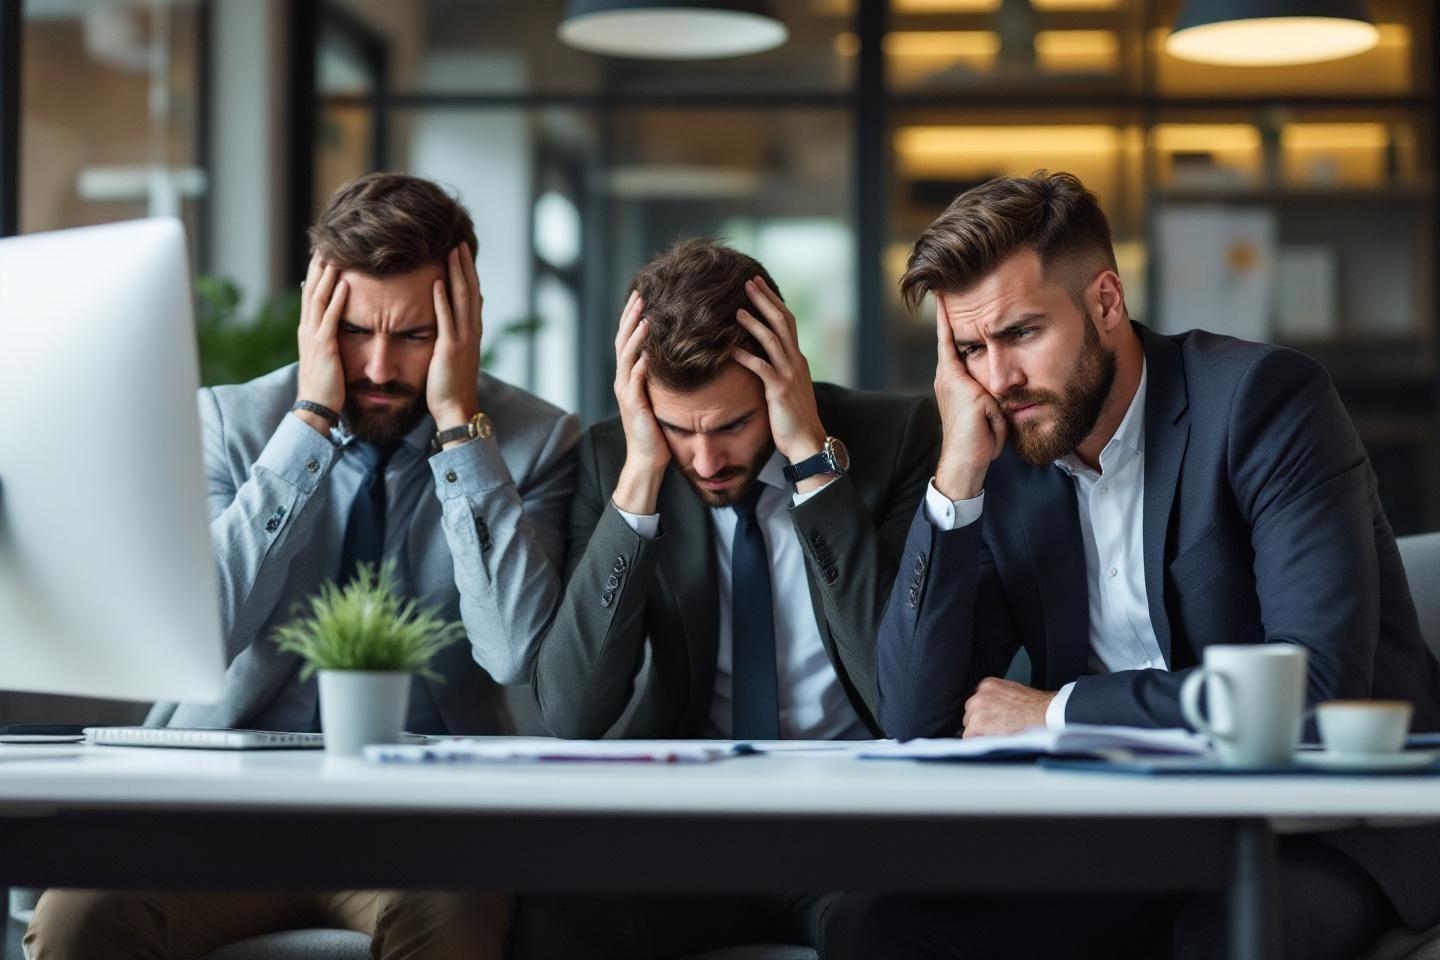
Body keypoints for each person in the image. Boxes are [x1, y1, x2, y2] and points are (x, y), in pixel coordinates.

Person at [855, 170, 1440, 960]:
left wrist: (1059, 711)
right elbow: (914, 720)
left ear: (1105, 302)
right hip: (1125, 839)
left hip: (1324, 832)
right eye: (969, 348)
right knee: (892, 927)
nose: (996, 380)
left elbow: (1311, 696)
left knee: (1222, 937)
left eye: (1021, 333)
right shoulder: (1007, 451)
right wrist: (955, 478)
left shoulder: (1265, 403)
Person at [24, 173, 579, 960]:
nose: (380, 366)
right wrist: (310, 425)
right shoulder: (231, 422)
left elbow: (513, 650)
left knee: (456, 927)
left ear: (463, 322)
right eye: (355, 331)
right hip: (223, 813)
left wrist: (460, 427)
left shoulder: (533, 443)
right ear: (317, 315)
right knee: (79, 922)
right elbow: (203, 635)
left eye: (415, 335)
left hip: (423, 828)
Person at [512, 238, 940, 957]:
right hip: (692, 830)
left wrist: (810, 461)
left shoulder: (897, 440)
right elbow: (573, 710)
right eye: (679, 428)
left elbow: (898, 692)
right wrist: (644, 472)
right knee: (553, 921)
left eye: (734, 426)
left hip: (855, 828)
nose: (705, 461)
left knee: (895, 933)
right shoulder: (614, 459)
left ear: (784, 379)